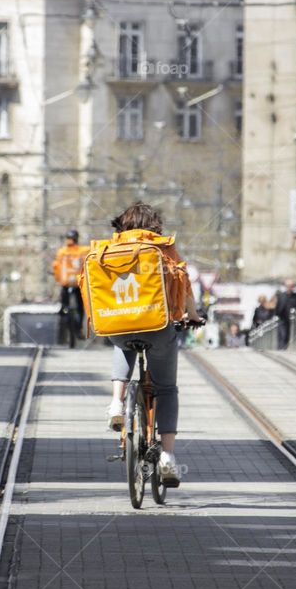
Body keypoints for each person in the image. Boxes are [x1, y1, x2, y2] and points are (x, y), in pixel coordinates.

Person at [103, 203, 199, 487]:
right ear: (154, 225)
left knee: (122, 342)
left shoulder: (108, 251)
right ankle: (168, 456)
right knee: (166, 388)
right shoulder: (163, 249)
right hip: (158, 328)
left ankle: (116, 403)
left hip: (119, 327)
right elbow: (185, 287)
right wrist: (192, 317)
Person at [52, 229, 89, 349]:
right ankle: (79, 329)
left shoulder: (61, 252)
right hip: (78, 283)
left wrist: (58, 279)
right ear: (77, 239)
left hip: (66, 283)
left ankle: (63, 322)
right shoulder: (83, 251)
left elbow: (56, 267)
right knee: (80, 306)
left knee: (63, 306)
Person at [274, 278, 296, 349]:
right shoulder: (281, 296)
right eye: (288, 286)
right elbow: (277, 307)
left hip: (294, 320)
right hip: (283, 319)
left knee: (291, 335)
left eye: (291, 286)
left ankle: (288, 348)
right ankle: (282, 349)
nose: (290, 287)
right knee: (283, 335)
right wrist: (276, 315)